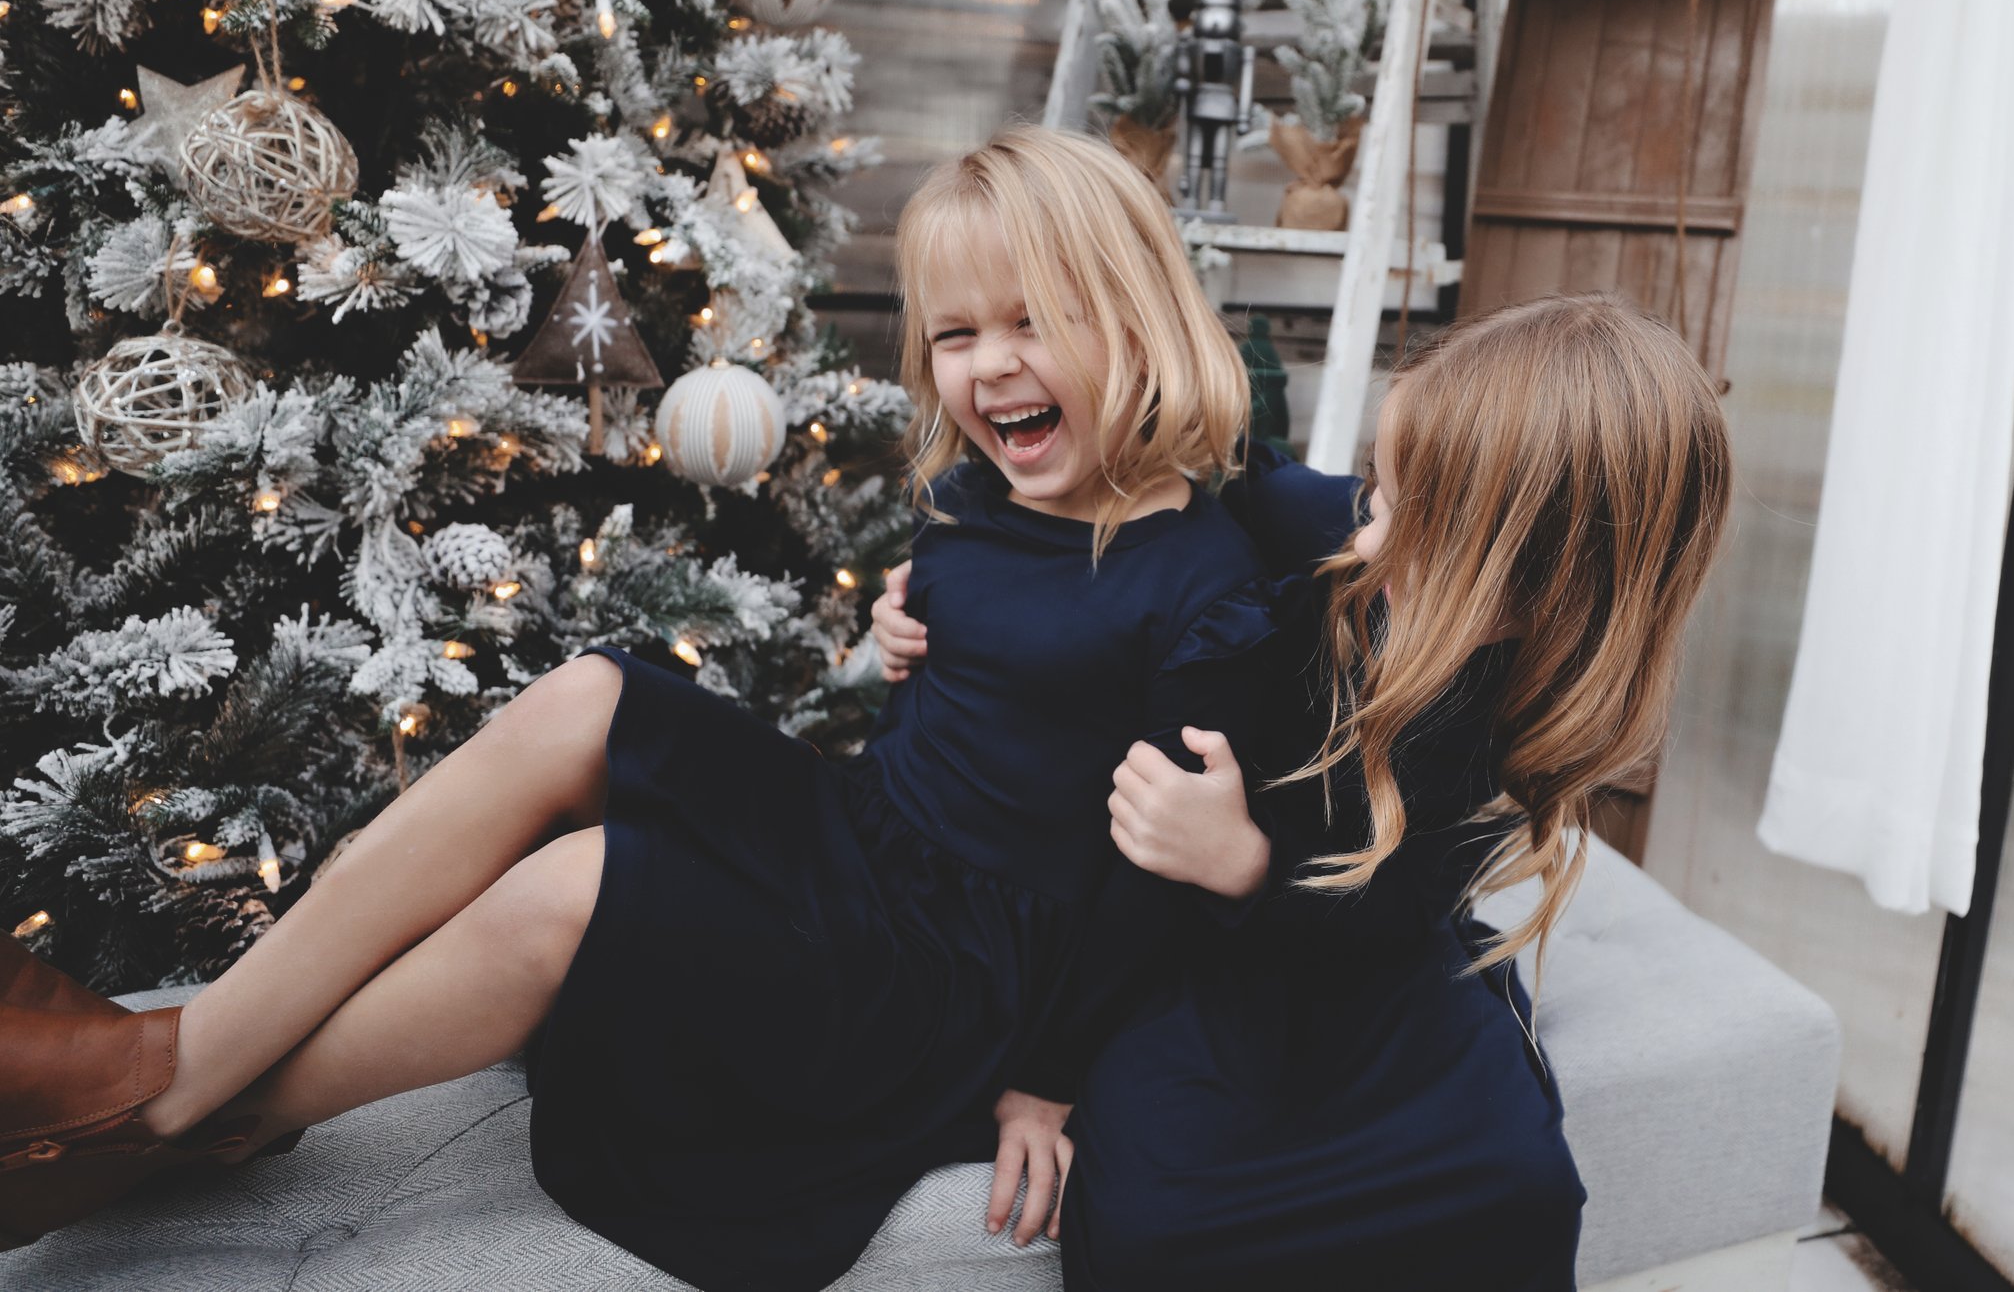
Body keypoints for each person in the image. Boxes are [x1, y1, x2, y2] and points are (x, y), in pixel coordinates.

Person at [0, 127, 1276, 1292]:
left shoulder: (1202, 588)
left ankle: (187, 1113)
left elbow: (1144, 888)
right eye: (956, 335)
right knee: (591, 691)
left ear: (1138, 317)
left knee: (583, 883)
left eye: (1037, 321)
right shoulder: (981, 502)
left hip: (945, 974)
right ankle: (183, 1053)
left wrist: (1043, 1083)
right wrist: (910, 635)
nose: (991, 364)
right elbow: (991, 650)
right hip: (866, 838)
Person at [876, 292, 1736, 1290]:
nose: (1365, 536)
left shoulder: (1524, 694)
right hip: (1187, 960)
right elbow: (1160, 487)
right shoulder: (1308, 538)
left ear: (1557, 587)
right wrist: (946, 595)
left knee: (1517, 1178)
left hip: (1363, 945)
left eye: (1412, 522)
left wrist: (1248, 864)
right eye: (1376, 491)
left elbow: (1411, 896)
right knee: (1159, 1217)